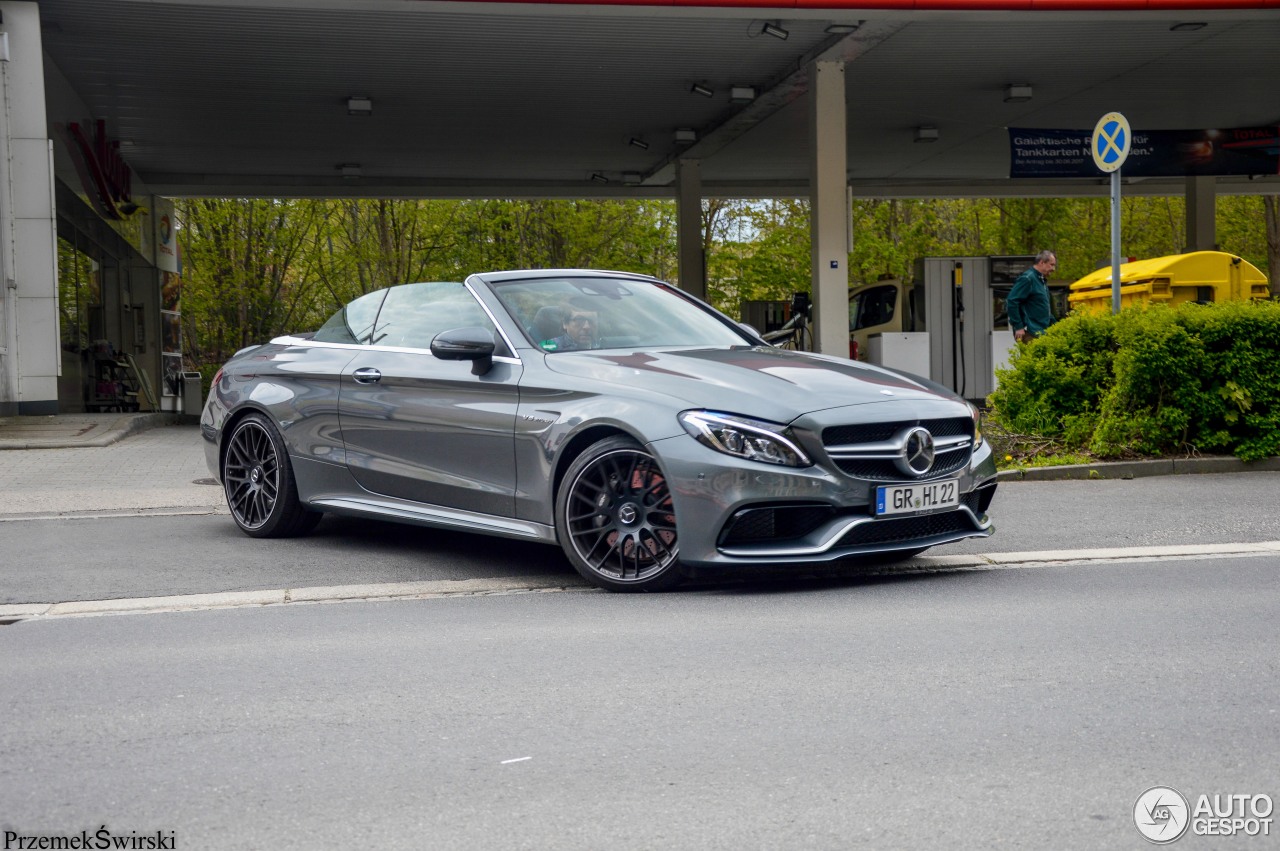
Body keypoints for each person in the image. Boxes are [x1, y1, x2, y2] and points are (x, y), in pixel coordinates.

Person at [1007, 250, 1057, 343]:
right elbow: (1012, 301)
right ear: (1042, 262)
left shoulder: (1041, 281)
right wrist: (1018, 326)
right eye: (1051, 264)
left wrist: (1056, 326)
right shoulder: (1027, 279)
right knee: (1035, 357)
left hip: (1041, 332)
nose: (1053, 269)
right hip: (1030, 332)